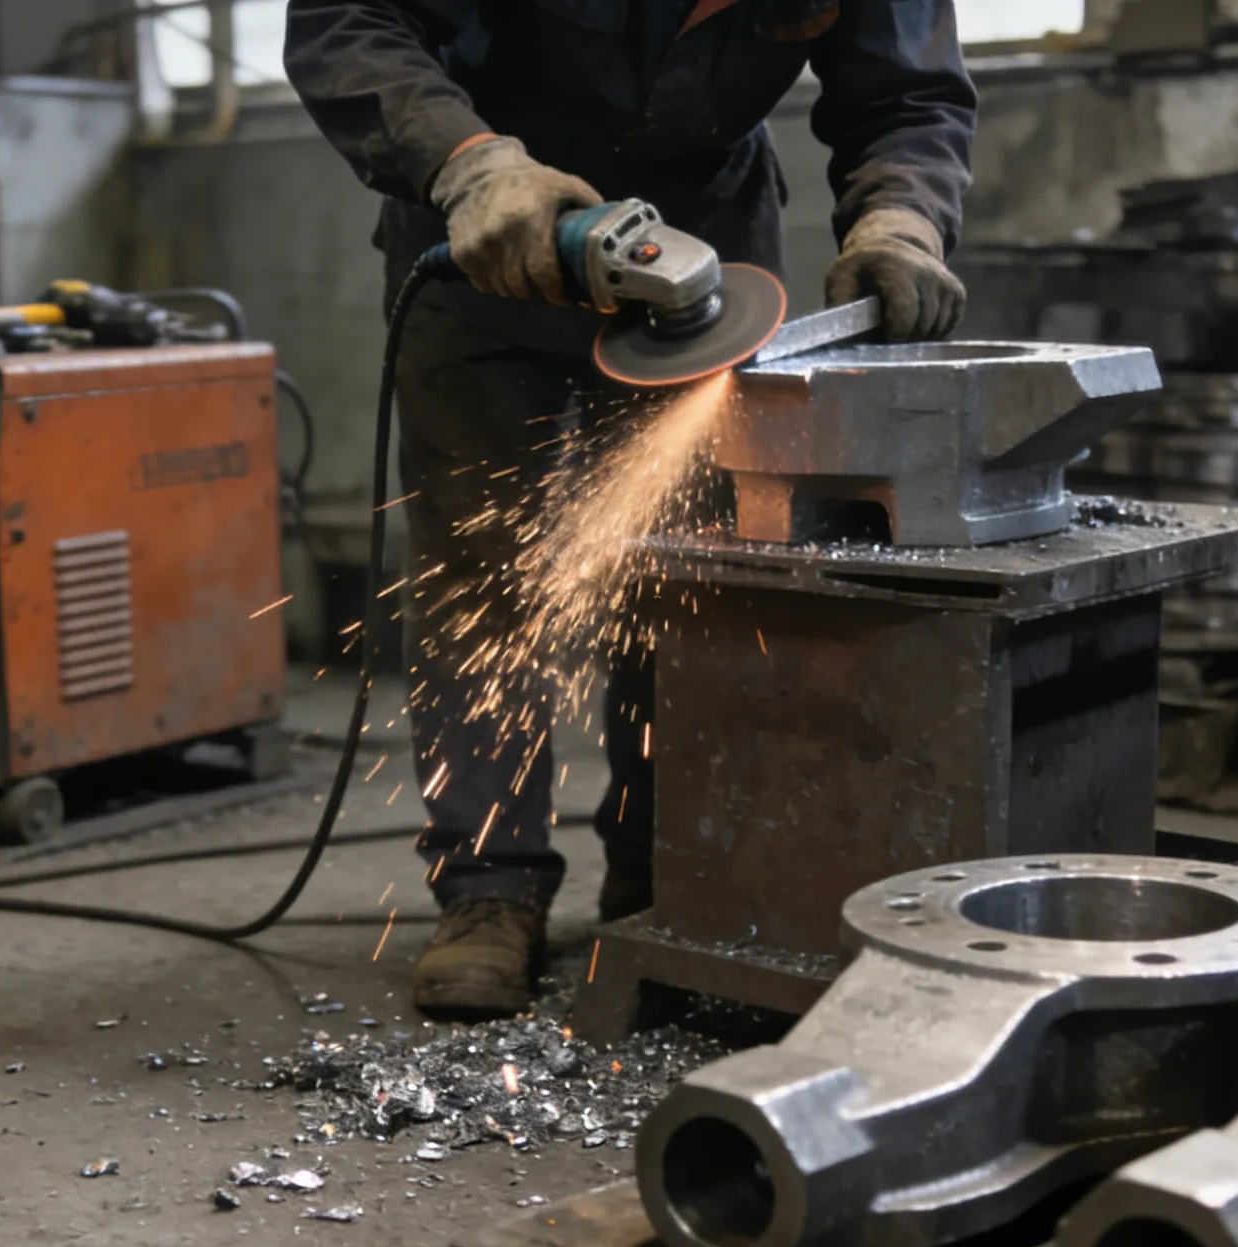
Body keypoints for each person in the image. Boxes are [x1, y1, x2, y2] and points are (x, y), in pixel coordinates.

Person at [285, 0, 979, 1018]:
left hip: (707, 252)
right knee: (482, 579)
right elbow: (346, 21)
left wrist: (901, 216)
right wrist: (470, 165)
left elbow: (908, 92)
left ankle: (665, 874)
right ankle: (488, 887)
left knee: (698, 578)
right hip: (487, 236)